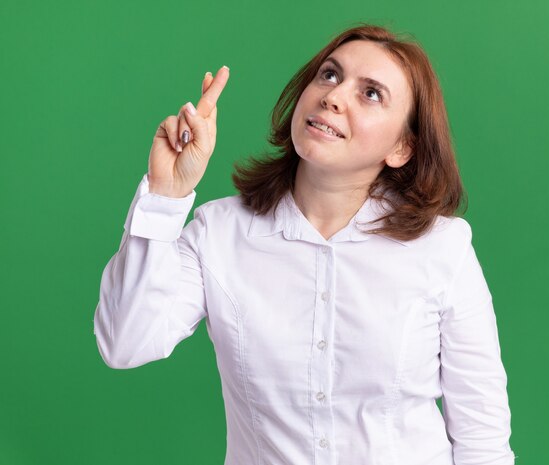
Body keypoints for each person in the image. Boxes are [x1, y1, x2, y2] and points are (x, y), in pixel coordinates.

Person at [94, 23, 516, 465]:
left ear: (402, 148)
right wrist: (166, 195)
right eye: (330, 75)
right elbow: (125, 342)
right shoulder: (218, 233)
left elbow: (482, 437)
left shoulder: (442, 247)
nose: (333, 96)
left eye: (371, 93)